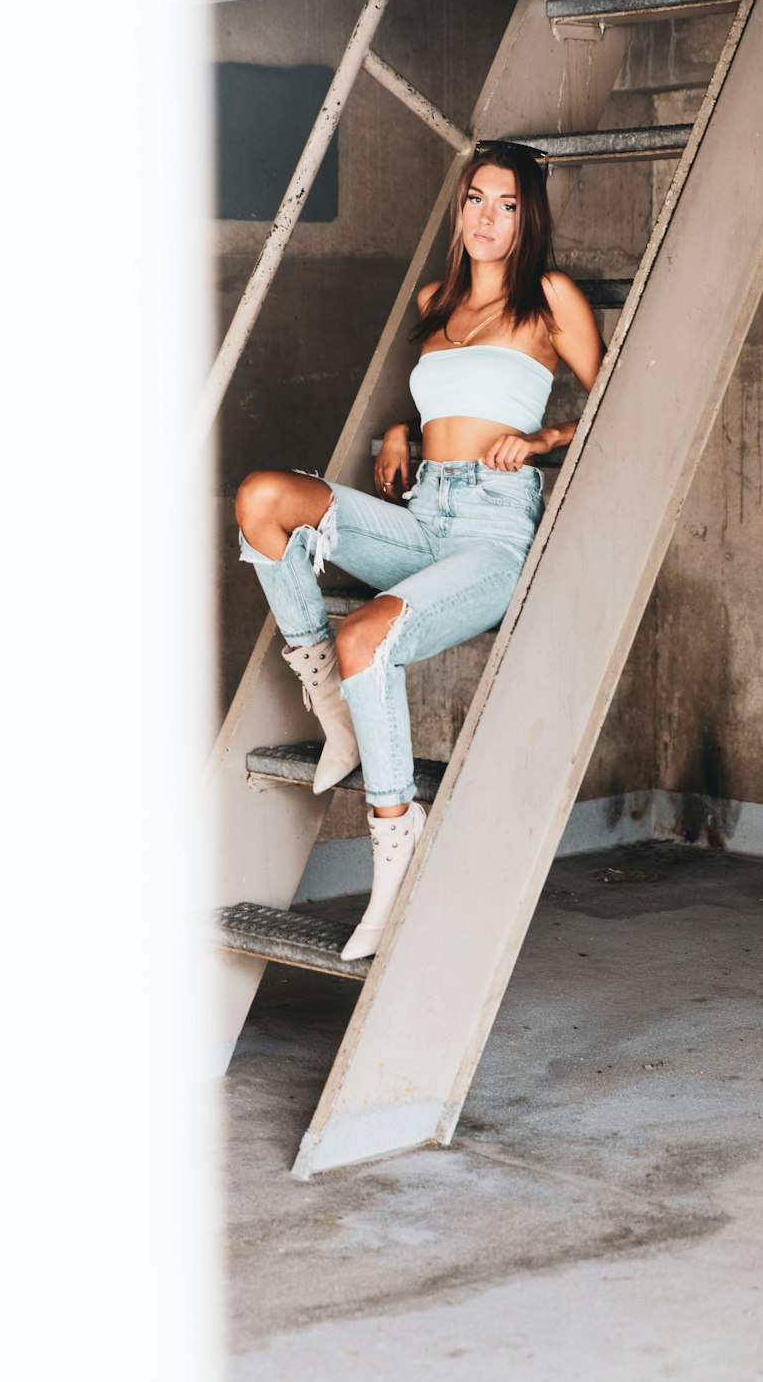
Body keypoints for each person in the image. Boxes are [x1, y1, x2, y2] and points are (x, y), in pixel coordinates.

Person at [235, 141, 605, 960]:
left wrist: (543, 437)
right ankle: (327, 692)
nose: (487, 218)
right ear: (460, 206)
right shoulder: (438, 300)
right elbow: (444, 401)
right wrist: (402, 428)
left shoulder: (549, 298)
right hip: (424, 513)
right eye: (476, 198)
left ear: (527, 215)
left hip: (492, 532)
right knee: (263, 498)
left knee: (364, 632)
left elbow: (613, 400)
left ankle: (396, 838)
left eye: (507, 205)